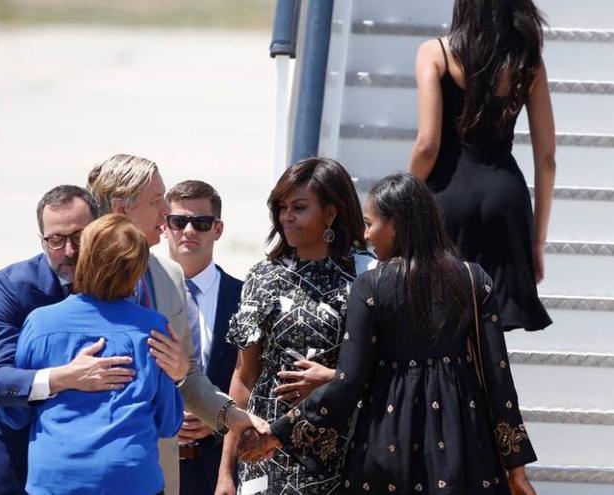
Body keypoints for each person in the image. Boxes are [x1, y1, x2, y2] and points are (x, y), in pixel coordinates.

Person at [241, 173, 538, 494]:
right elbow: (499, 381)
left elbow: (349, 383)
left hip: (387, 445)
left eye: (371, 223)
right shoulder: (472, 279)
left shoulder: (371, 286)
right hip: (465, 446)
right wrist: (516, 468)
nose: (366, 235)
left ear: (396, 224)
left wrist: (279, 432)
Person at [87, 154, 269, 494]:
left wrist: (229, 416)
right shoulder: (74, 276)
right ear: (120, 207)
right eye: (157, 201)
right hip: (90, 471)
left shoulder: (168, 278)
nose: (163, 213)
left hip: (156, 475)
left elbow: (187, 374)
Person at [0, 185, 142, 494]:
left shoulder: (126, 284)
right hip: (10, 457)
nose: (68, 251)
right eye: (55, 240)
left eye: (78, 238)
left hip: (91, 465)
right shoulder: (11, 286)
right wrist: (64, 377)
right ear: (42, 239)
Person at [0, 214, 183, 494]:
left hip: (57, 481)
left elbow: (14, 414)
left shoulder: (40, 323)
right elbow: (168, 423)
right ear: (136, 270)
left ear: (84, 260)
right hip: (131, 480)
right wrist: (178, 379)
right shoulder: (154, 329)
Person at [220, 157, 373, 495]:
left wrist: (334, 379)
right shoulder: (263, 277)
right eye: (282, 207)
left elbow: (390, 370)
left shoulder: (368, 277)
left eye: (299, 207)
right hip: (264, 452)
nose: (286, 216)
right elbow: (245, 376)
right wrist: (225, 473)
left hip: (344, 456)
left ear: (331, 213)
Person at [408, 0, 556, 332]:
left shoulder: (435, 54)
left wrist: (404, 198)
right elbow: (547, 159)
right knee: (491, 330)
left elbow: (427, 145)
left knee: (442, 323)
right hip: (506, 198)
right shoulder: (526, 62)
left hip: (449, 196)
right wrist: (537, 240)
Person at [163, 180, 244, 494]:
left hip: (219, 468)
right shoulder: (142, 293)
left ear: (218, 229)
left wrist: (217, 417)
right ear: (165, 226)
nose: (188, 231)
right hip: (156, 464)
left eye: (201, 223)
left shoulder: (245, 297)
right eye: (178, 221)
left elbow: (252, 380)